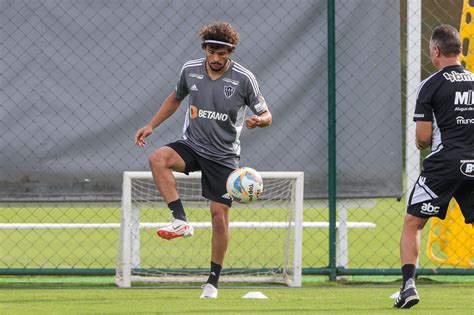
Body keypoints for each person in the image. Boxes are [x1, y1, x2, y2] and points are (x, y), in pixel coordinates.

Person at [134, 21, 272, 299]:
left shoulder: (244, 78)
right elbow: (176, 97)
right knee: (157, 158)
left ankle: (212, 282)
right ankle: (180, 220)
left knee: (219, 218)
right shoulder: (190, 70)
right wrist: (152, 126)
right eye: (212, 51)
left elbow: (267, 114)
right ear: (205, 49)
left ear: (230, 52)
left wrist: (259, 121)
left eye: (223, 53)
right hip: (192, 145)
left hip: (223, 156)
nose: (217, 58)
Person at [395, 24, 474, 309]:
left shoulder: (429, 85)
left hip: (444, 164)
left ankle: (408, 287)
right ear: (460, 50)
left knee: (413, 223)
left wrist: (421, 143)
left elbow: (423, 137)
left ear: (436, 51)